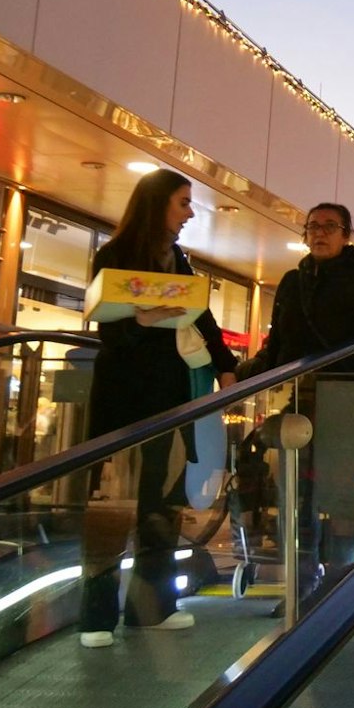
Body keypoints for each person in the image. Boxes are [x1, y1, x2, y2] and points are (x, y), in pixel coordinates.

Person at [77, 169, 238, 648]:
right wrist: (141, 321)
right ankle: (97, 617)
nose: (189, 213)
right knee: (113, 504)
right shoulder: (115, 255)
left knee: (162, 501)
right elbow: (109, 331)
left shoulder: (177, 259)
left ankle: (151, 606)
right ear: (157, 204)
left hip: (171, 395)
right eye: (183, 202)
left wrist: (227, 365)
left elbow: (201, 315)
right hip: (124, 396)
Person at [258, 203, 354, 604]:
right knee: (297, 494)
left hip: (349, 399)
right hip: (302, 397)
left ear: (345, 234)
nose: (320, 233)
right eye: (313, 226)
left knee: (338, 493)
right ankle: (302, 583)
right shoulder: (292, 281)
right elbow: (279, 343)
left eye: (330, 226)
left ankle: (341, 584)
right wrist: (252, 375)